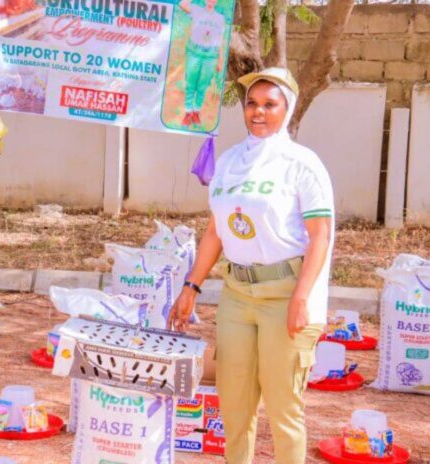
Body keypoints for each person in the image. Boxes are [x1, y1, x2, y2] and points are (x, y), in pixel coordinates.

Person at [169, 67, 335, 464]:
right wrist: (190, 287)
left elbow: (320, 236)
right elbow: (215, 232)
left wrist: (301, 298)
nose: (258, 112)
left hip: (285, 294)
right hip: (238, 295)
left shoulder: (301, 164)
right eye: (251, 104)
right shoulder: (229, 162)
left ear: (287, 109)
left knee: (283, 409)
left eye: (269, 104)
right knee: (235, 406)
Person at [178, 0, 226, 127]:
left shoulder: (220, 19)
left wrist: (220, 60)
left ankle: (196, 112)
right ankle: (188, 112)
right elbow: (182, 4)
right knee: (191, 83)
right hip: (194, 52)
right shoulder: (196, 10)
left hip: (210, 56)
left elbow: (220, 40)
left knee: (203, 85)